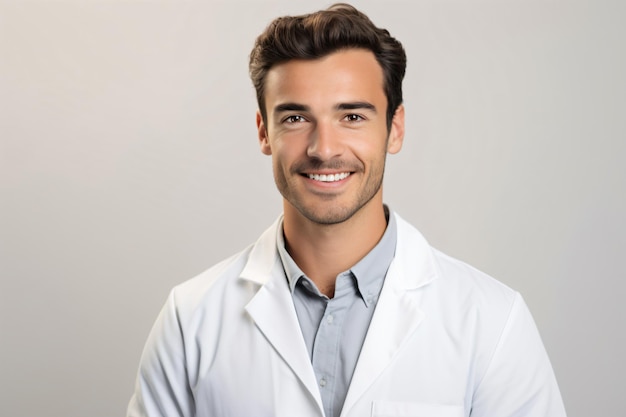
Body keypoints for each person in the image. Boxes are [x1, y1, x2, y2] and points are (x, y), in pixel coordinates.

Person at [127, 4, 566, 417]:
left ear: (394, 129)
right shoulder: (192, 319)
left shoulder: (491, 321)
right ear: (264, 132)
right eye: (296, 118)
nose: (324, 149)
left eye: (352, 117)